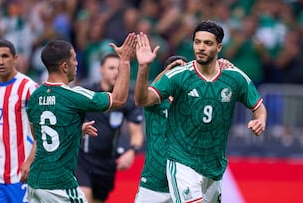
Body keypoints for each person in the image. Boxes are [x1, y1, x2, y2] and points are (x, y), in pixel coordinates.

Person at [134, 20, 267, 203]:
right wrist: (143, 67)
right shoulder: (180, 75)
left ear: (219, 47)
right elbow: (142, 99)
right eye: (197, 42)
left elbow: (258, 106)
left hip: (213, 167)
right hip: (181, 163)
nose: (201, 47)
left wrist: (260, 119)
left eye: (208, 43)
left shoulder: (234, 77)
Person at [24, 33, 136, 203]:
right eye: (74, 59)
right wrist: (125, 61)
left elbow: (39, 136)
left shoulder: (34, 97)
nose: (77, 63)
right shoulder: (74, 95)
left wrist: (73, 129)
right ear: (64, 66)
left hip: (35, 183)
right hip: (60, 185)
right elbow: (119, 99)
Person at [76, 53, 144, 203]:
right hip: (82, 159)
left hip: (107, 163)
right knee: (84, 198)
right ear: (101, 70)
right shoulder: (87, 92)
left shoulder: (128, 99)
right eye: (111, 68)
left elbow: (137, 133)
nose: (116, 72)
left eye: (119, 68)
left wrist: (132, 152)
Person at [0, 39, 38, 203]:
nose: (0, 61)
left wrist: (30, 161)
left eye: (5, 56)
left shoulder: (28, 88)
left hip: (21, 172)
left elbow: (39, 133)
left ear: (15, 58)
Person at [135, 55, 187, 203]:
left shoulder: (193, 103)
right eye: (173, 73)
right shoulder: (154, 102)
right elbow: (144, 94)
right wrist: (168, 70)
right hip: (154, 178)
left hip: (184, 179)